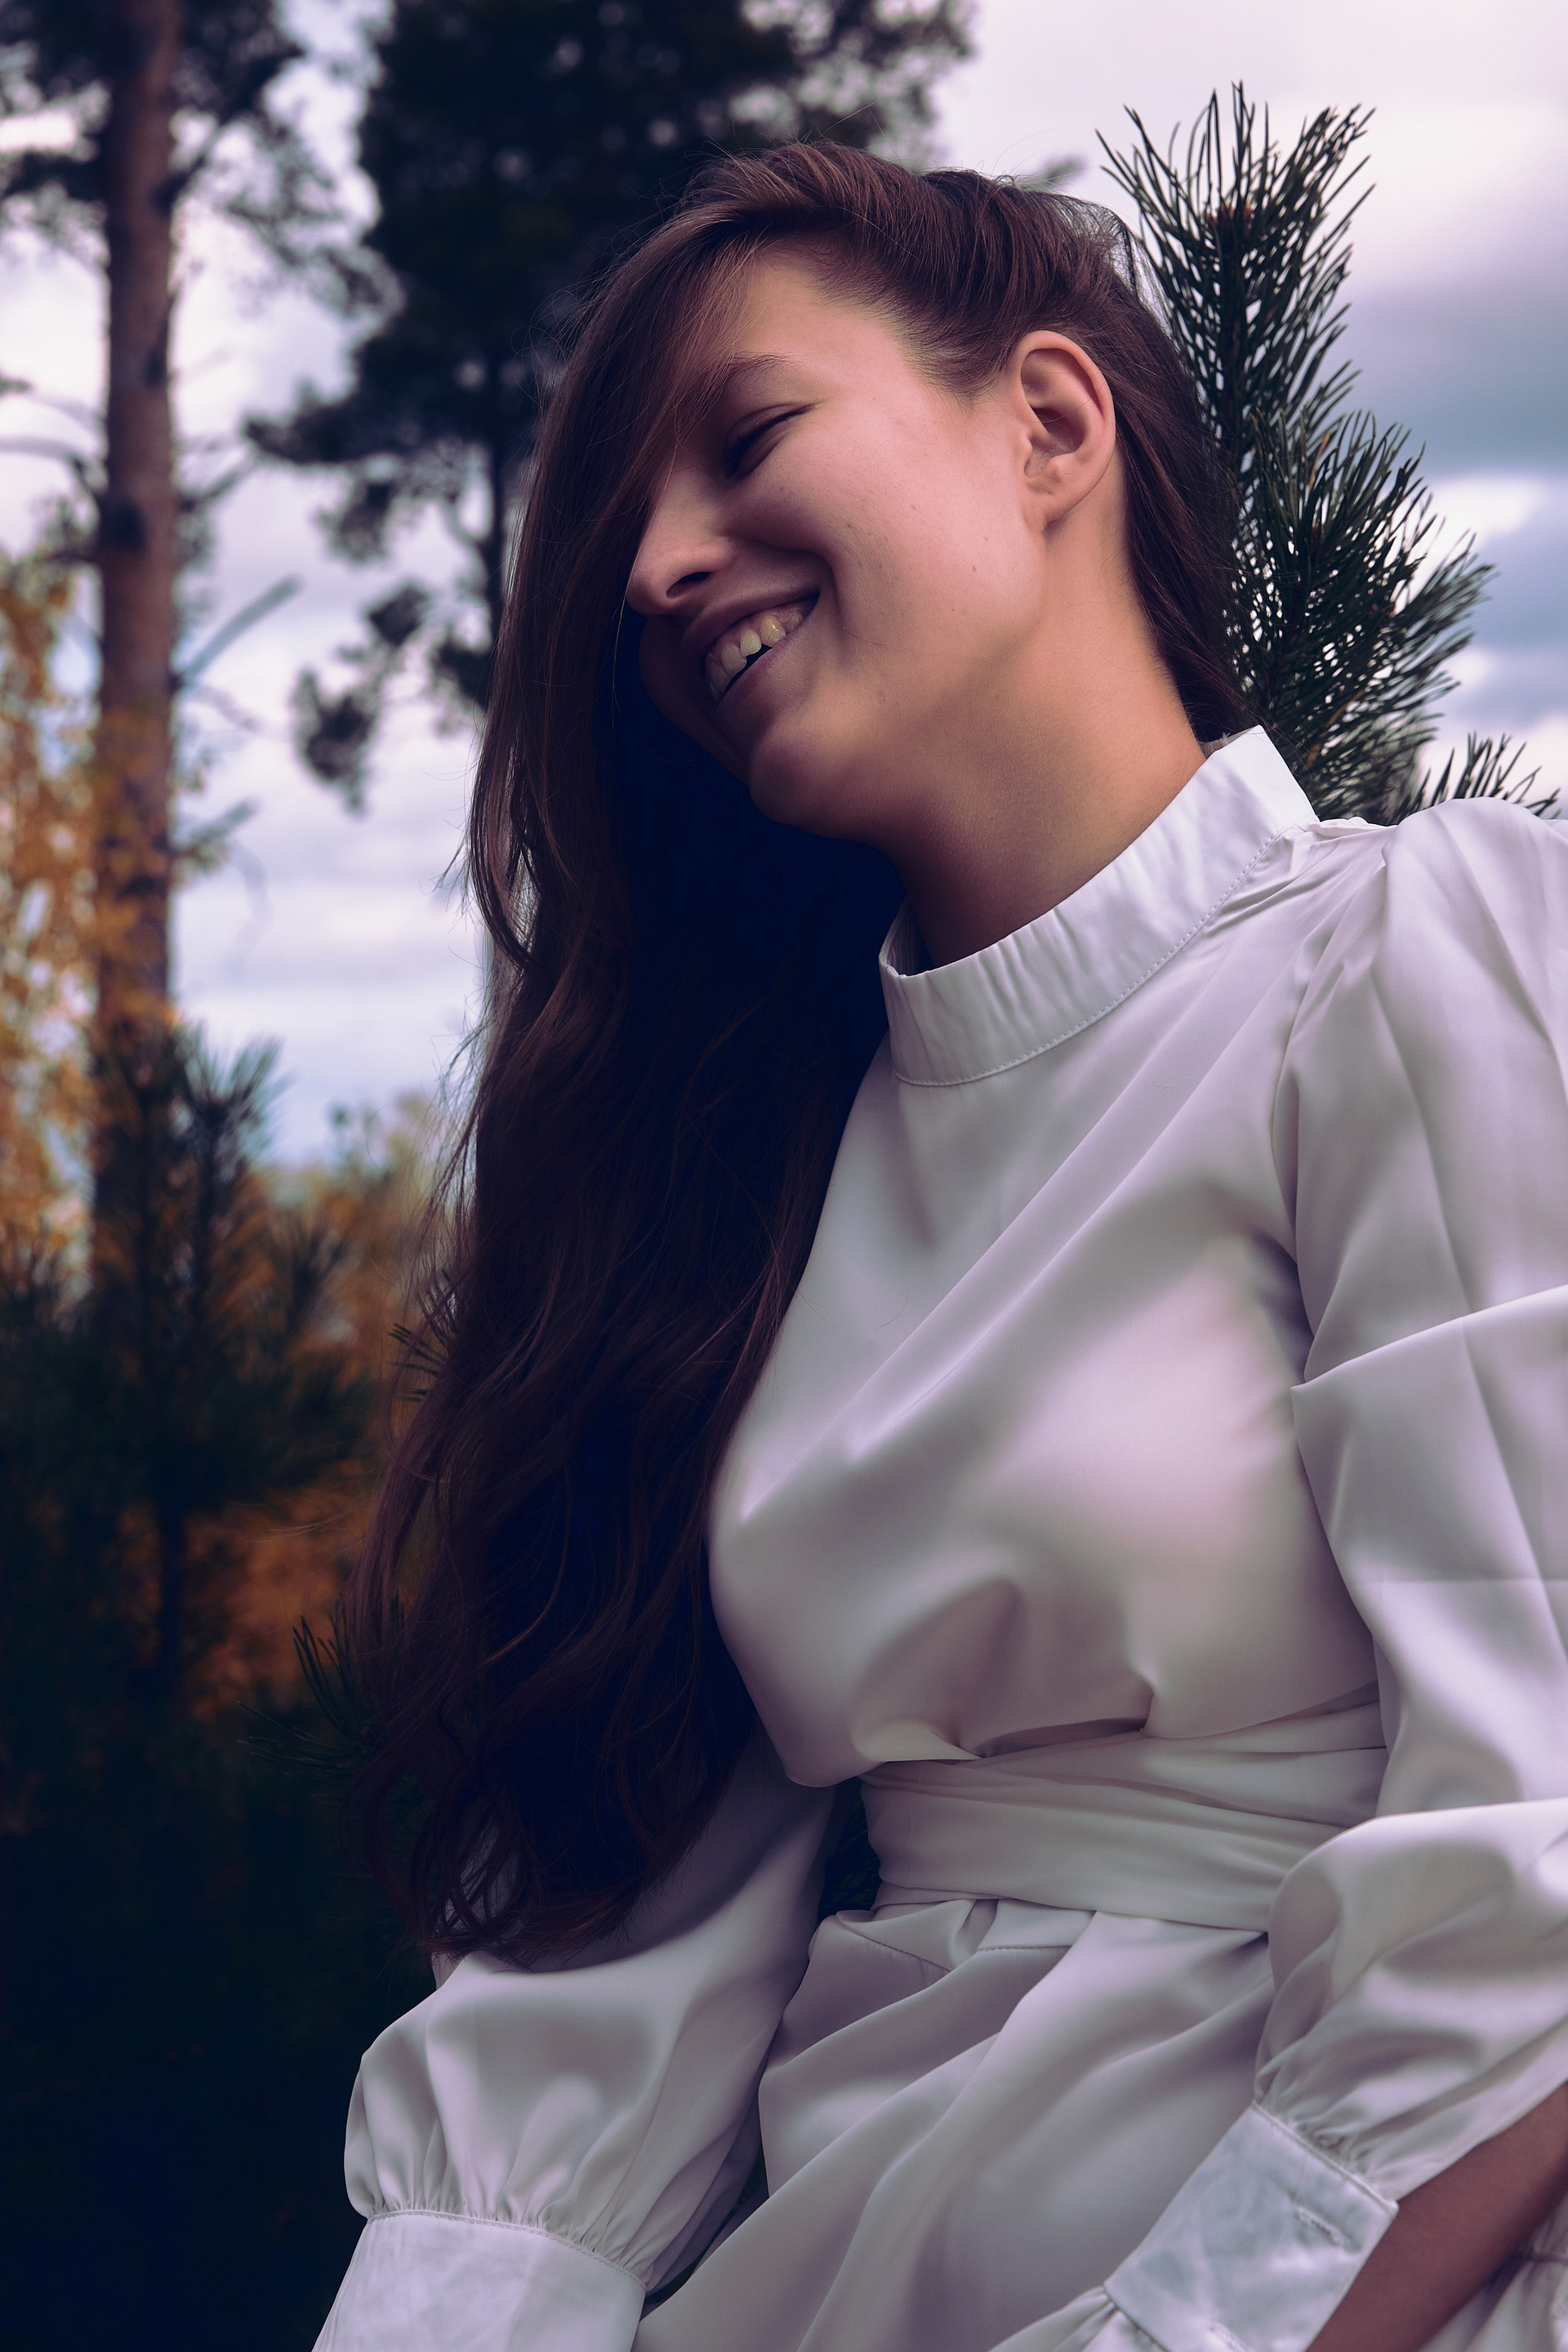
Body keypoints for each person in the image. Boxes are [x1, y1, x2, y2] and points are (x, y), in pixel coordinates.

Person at [312, 145, 1568, 2352]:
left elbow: (1541, 1859)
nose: (658, 568)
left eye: (747, 437)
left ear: (1052, 423)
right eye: (625, 535)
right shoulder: (740, 1178)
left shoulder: (1399, 962)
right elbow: (582, 2024)